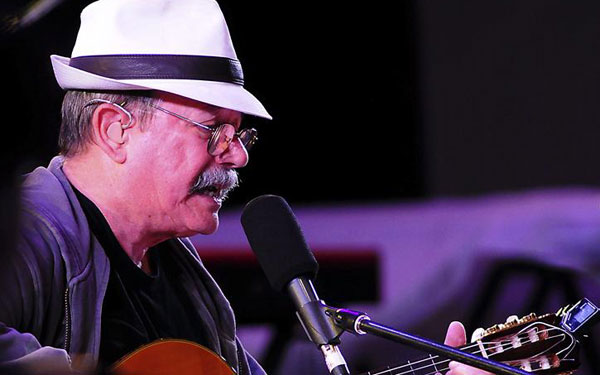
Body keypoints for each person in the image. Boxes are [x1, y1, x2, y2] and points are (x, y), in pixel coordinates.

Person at [0, 0, 492, 374]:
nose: (239, 155)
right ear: (115, 129)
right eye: (213, 129)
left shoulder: (190, 288)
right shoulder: (30, 229)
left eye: (241, 133)